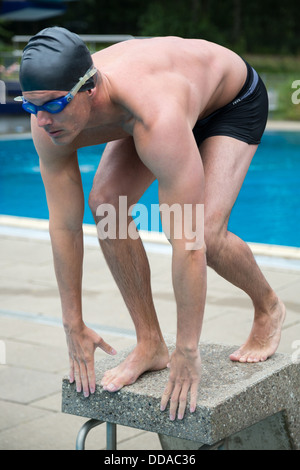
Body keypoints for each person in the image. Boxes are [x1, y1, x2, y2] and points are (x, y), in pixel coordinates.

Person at [16, 27, 286, 422]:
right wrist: (72, 323)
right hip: (165, 104)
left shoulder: (152, 115)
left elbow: (187, 243)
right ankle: (150, 343)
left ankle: (269, 306)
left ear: (90, 89)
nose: (42, 119)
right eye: (31, 105)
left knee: (206, 233)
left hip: (230, 101)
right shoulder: (47, 124)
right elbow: (64, 226)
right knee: (107, 203)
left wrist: (188, 350)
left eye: (54, 105)